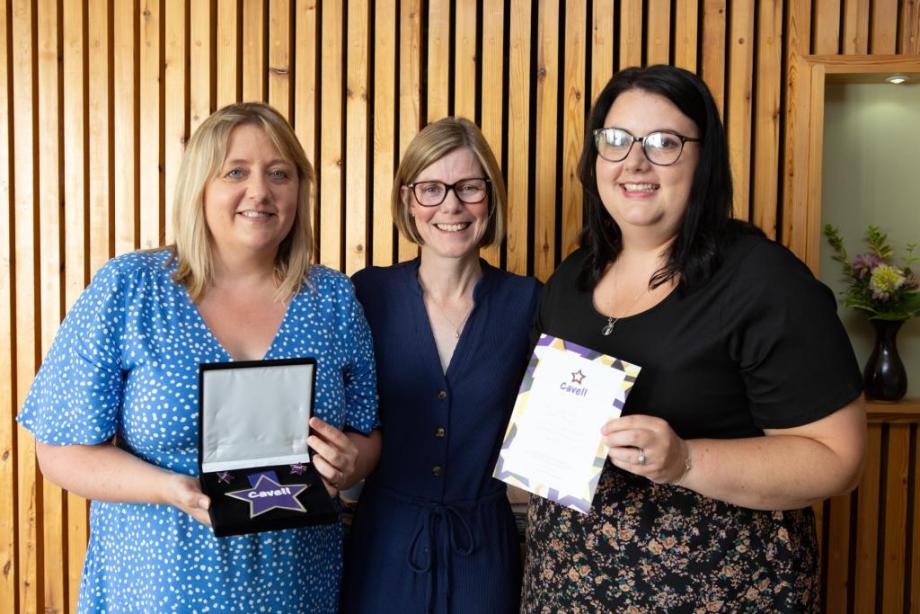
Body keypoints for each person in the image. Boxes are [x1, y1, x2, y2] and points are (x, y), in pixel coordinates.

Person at [520, 65, 866, 612]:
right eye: (616, 140)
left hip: (717, 591)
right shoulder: (571, 279)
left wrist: (685, 462)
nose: (635, 161)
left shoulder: (763, 281)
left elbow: (837, 458)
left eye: (664, 143)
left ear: (704, 160)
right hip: (566, 588)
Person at [17, 102, 380, 612]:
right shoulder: (131, 288)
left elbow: (368, 433)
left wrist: (348, 464)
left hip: (295, 587)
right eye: (236, 172)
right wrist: (171, 489)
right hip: (157, 587)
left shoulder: (332, 298)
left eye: (280, 173)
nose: (260, 191)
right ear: (200, 187)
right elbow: (58, 451)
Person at [341, 117, 541, 613]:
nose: (451, 205)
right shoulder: (366, 293)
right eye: (431, 188)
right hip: (383, 546)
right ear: (408, 200)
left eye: (469, 187)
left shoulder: (530, 302)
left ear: (489, 198)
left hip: (486, 550)